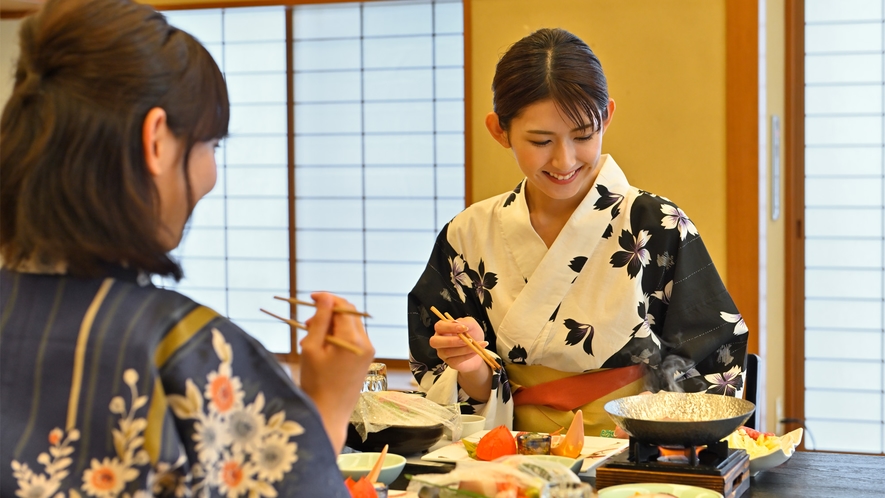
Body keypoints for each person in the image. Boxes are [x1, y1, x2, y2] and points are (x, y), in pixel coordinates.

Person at [0, 0, 375, 496]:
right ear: (156, 141)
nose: (210, 175)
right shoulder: (189, 351)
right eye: (210, 146)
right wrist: (328, 407)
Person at [408, 28, 748, 437]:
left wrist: (656, 429)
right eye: (540, 140)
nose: (564, 159)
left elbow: (712, 355)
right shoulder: (467, 235)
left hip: (633, 451)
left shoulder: (655, 225)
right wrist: (471, 366)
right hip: (510, 450)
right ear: (500, 130)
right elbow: (454, 386)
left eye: (583, 135)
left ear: (606, 117)